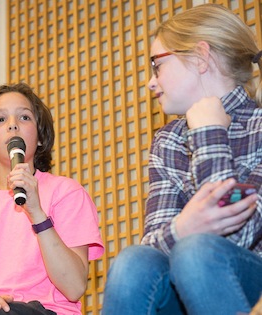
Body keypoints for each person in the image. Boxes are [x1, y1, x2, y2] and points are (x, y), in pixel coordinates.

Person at [102, 3, 262, 315]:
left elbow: (236, 234)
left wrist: (209, 131)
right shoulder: (168, 140)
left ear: (201, 57)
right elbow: (153, 245)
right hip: (188, 279)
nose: (150, 82)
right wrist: (182, 229)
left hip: (248, 278)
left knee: (196, 251)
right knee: (133, 260)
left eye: (156, 65)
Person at [0, 83, 104, 315]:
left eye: (24, 117)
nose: (13, 124)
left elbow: (74, 287)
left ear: (39, 138)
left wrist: (37, 213)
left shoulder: (66, 192)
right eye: (0, 119)